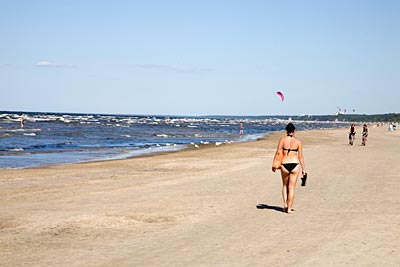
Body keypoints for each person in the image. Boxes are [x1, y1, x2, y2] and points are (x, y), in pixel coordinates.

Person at [272, 123, 306, 214]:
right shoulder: (298, 142)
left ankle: (285, 205)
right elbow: (300, 156)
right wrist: (303, 169)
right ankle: (289, 208)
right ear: (294, 131)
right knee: (291, 187)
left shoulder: (282, 140)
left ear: (286, 131)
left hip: (285, 164)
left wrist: (274, 164)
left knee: (284, 185)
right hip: (295, 164)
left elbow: (278, 152)